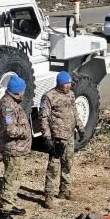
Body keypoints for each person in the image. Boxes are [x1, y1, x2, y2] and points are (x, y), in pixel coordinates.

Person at [39, 71, 84, 208]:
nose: (68, 85)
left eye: (69, 83)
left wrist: (80, 127)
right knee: (53, 167)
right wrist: (47, 137)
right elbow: (43, 118)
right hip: (57, 138)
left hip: (69, 136)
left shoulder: (71, 94)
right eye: (66, 83)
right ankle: (49, 195)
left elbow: (74, 112)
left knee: (68, 164)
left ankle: (64, 190)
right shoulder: (49, 96)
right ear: (60, 84)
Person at [0, 74, 32, 219]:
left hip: (17, 148)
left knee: (15, 178)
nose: (24, 93)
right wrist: (26, 132)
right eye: (23, 90)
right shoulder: (8, 106)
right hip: (13, 149)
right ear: (18, 91)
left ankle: (10, 205)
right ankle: (4, 212)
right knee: (12, 179)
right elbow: (10, 130)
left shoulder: (11, 102)